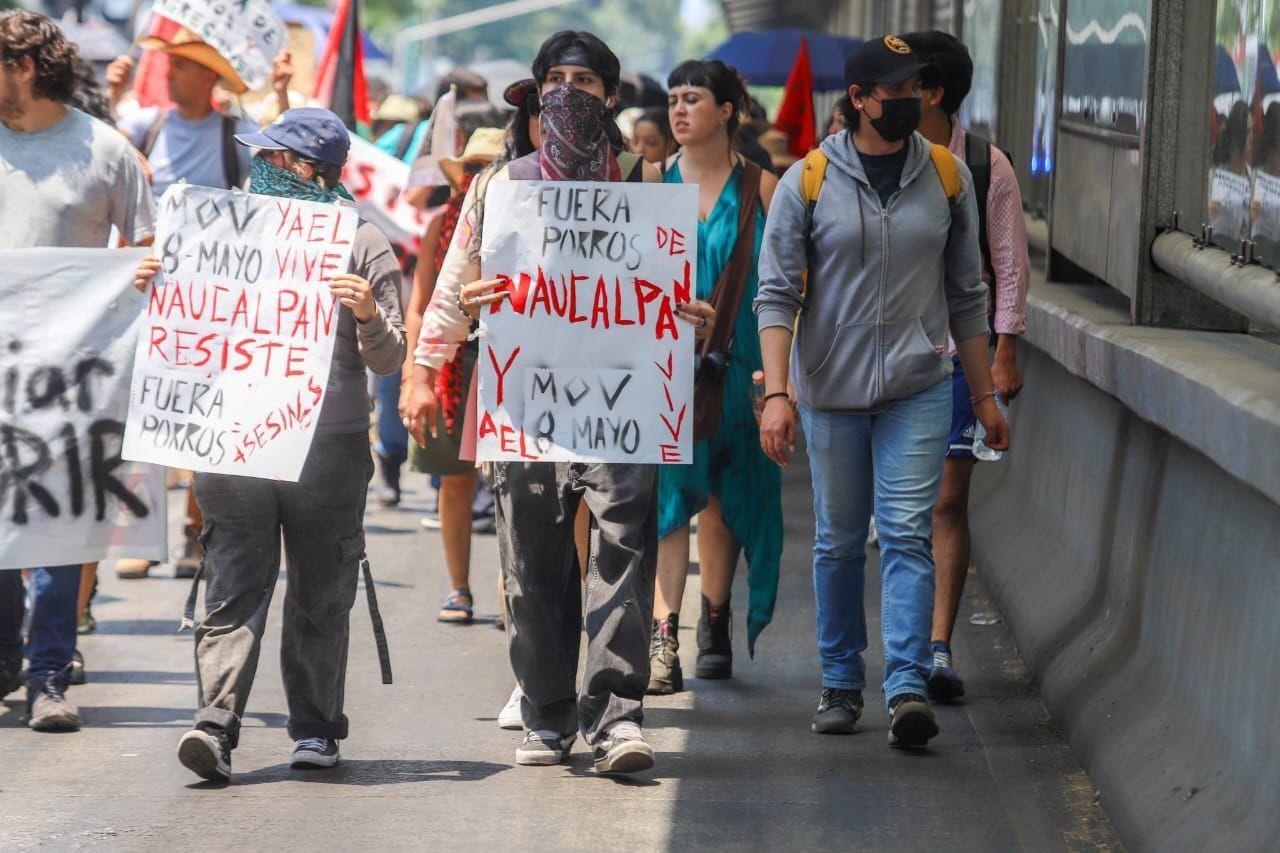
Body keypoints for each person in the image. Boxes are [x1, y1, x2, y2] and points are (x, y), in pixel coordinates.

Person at [404, 30, 713, 775]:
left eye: (585, 78)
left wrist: (688, 317)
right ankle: (546, 712)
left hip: (623, 399)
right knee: (533, 562)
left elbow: (672, 295)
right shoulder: (498, 188)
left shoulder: (649, 186)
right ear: (540, 92)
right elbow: (454, 286)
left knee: (621, 552)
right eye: (557, 77)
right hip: (527, 402)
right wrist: (424, 367)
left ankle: (615, 717)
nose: (569, 90)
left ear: (609, 96)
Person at [131, 108, 406, 783]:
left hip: (329, 449)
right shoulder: (216, 230)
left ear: (309, 169)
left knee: (321, 590)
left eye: (274, 157)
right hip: (233, 440)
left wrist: (367, 312)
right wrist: (156, 286)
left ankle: (315, 729)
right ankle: (215, 725)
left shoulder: (364, 242)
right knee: (233, 582)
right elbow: (185, 325)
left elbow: (391, 356)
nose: (259, 166)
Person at [753, 35, 1009, 747]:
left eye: (916, 89)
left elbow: (967, 295)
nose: (909, 101)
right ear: (858, 99)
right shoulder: (809, 180)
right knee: (837, 540)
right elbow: (774, 296)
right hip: (830, 391)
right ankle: (840, 681)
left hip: (918, 384)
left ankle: (904, 686)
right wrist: (779, 393)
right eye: (893, 91)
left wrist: (984, 398)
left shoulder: (949, 177)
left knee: (904, 531)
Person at [0, 9, 156, 731]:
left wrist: (145, 273)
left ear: (25, 66)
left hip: (69, 377)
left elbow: (150, 248)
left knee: (58, 525)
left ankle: (48, 674)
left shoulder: (107, 152)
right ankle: (6, 658)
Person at [106, 30, 292, 581]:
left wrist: (279, 95)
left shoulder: (233, 134)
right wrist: (113, 97)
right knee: (142, 419)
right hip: (145, 297)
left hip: (210, 308)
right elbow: (107, 149)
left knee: (200, 421)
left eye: (185, 66)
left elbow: (280, 164)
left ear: (209, 77)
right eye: (172, 65)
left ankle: (194, 533)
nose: (172, 74)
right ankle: (141, 535)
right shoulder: (146, 125)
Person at [902, 30, 1029, 703]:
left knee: (947, 500)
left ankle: (937, 646)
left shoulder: (985, 165)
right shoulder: (874, 158)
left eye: (902, 80)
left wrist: (1005, 349)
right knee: (899, 509)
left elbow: (1008, 264)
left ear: (932, 92)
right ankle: (900, 646)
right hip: (887, 356)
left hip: (960, 354)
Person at [648, 60, 781, 695]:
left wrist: (783, 383)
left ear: (727, 110)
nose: (678, 110)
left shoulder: (766, 189)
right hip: (667, 364)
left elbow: (787, 290)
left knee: (728, 496)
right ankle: (664, 634)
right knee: (671, 500)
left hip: (743, 363)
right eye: (673, 99)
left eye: (692, 98)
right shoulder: (650, 182)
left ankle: (716, 619)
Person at [399, 118, 505, 623]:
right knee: (456, 480)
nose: (477, 177)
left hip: (510, 356)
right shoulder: (443, 225)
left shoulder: (521, 219)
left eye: (488, 167)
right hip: (453, 362)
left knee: (515, 482)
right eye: (472, 168)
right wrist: (414, 373)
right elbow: (421, 305)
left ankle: (515, 586)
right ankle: (459, 587)